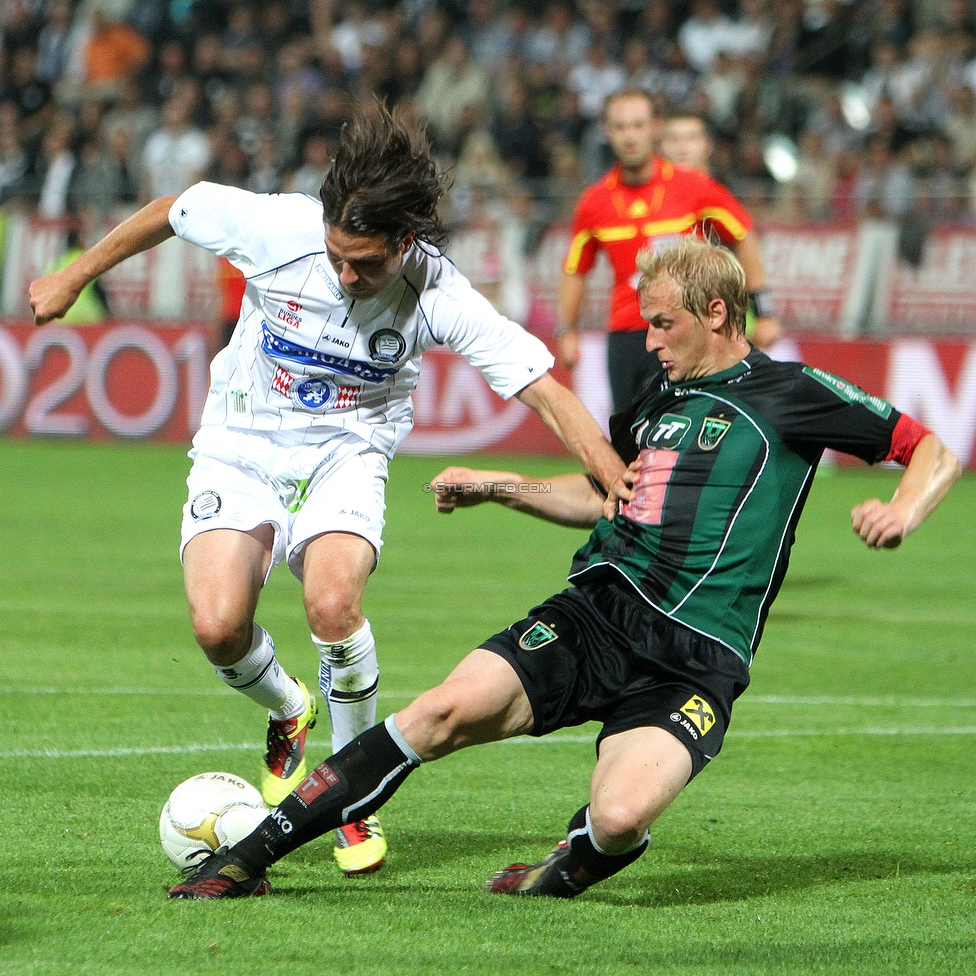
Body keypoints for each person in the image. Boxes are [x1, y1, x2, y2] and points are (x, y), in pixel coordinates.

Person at [164, 237, 960, 900]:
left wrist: (903, 511)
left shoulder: (791, 394)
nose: (647, 341)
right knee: (437, 714)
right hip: (597, 614)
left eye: (662, 324)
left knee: (620, 819)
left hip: (699, 657)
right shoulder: (657, 398)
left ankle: (564, 866)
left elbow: (930, 448)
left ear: (717, 314)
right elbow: (607, 492)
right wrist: (499, 488)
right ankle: (246, 859)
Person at [29, 104, 623, 880]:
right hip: (240, 442)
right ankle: (288, 707)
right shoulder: (277, 227)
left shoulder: (436, 290)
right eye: (338, 259)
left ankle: (349, 792)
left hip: (346, 453)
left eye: (364, 265)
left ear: (405, 243)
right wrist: (74, 276)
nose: (347, 276)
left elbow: (542, 389)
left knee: (333, 603)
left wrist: (612, 474)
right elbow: (172, 211)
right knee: (217, 627)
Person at [557, 89, 781, 413]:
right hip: (627, 336)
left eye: (638, 125)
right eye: (620, 127)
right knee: (631, 440)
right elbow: (575, 270)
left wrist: (765, 312)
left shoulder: (694, 186)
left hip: (689, 329)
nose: (630, 136)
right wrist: (567, 330)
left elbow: (743, 237)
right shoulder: (593, 202)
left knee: (694, 431)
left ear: (655, 128)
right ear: (607, 132)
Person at [658, 108, 781, 351]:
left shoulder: (716, 192)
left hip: (722, 313)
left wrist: (764, 312)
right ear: (660, 146)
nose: (683, 147)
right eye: (674, 139)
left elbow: (745, 241)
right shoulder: (651, 198)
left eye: (691, 138)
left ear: (707, 145)